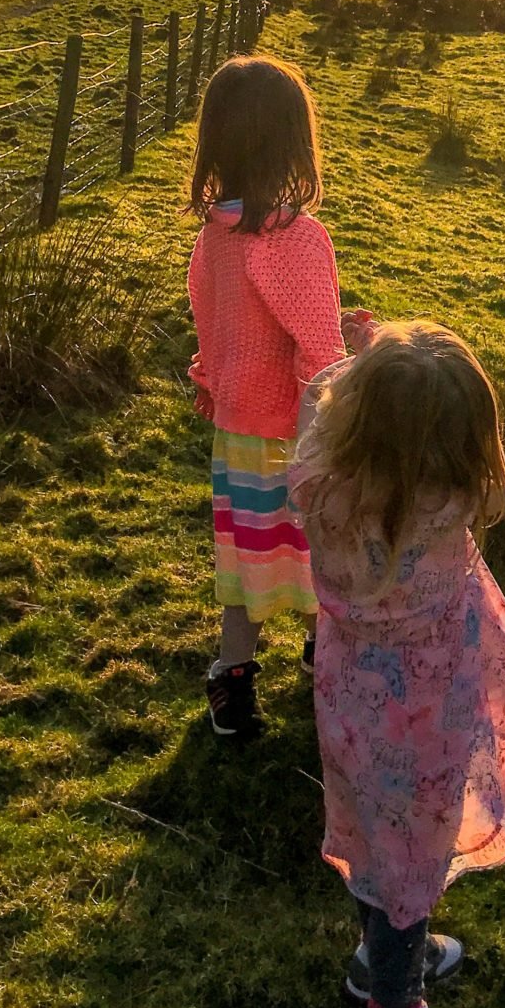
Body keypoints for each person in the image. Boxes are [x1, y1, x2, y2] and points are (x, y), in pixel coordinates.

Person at [291, 321, 505, 1008]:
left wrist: (368, 360)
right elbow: (502, 488)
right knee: (410, 868)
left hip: (350, 706)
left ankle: (376, 957)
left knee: (372, 838)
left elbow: (322, 406)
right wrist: (395, 364)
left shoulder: (322, 487)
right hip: (426, 725)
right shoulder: (453, 503)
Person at [186, 55, 350, 740]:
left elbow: (210, 318)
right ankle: (328, 657)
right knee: (321, 553)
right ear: (292, 144)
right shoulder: (298, 240)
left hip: (238, 436)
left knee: (247, 564)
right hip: (301, 435)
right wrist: (350, 373)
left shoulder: (215, 238)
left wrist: (212, 381)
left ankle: (233, 679)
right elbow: (317, 350)